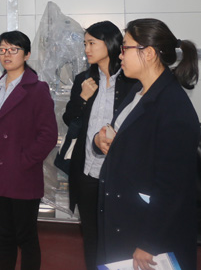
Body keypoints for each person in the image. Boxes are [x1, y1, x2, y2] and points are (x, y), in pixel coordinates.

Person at [94, 19, 199, 270]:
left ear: (149, 53)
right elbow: (126, 137)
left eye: (125, 48)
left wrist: (149, 242)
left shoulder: (174, 107)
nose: (120, 55)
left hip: (145, 230)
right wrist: (99, 140)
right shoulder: (138, 92)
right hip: (123, 217)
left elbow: (173, 186)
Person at [0, 31, 57, 270]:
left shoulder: (37, 89)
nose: (7, 54)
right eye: (2, 50)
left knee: (26, 236)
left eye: (14, 49)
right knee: (5, 234)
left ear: (27, 54)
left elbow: (48, 135)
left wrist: (23, 161)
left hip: (22, 175)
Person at [61, 21, 136, 270]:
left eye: (92, 43)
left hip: (119, 175)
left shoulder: (130, 82)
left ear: (111, 43)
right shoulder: (84, 79)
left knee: (118, 236)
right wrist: (82, 98)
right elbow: (69, 119)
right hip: (87, 171)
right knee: (91, 235)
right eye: (85, 44)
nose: (87, 49)